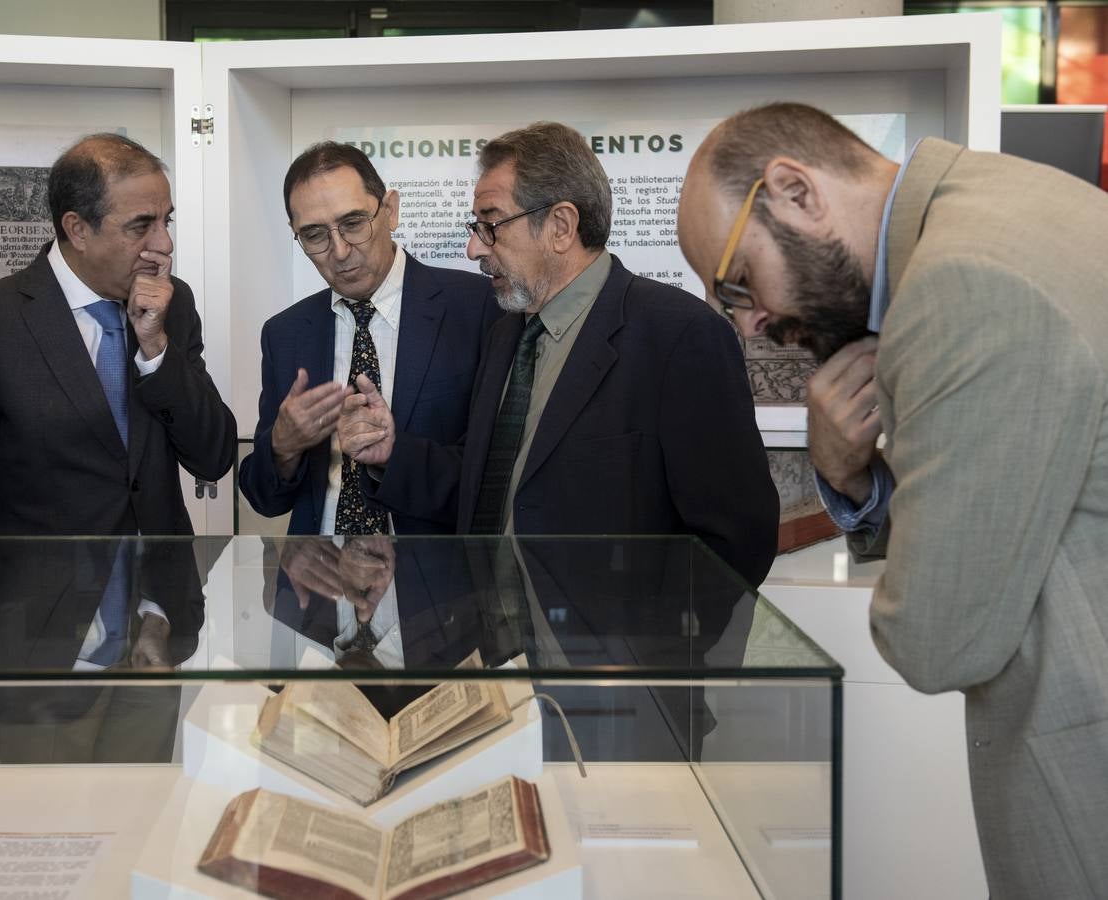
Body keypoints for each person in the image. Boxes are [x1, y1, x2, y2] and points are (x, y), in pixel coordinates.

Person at [676, 101, 1108, 897]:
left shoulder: (959, 283)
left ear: (794, 191)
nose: (751, 326)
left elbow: (937, 640)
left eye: (737, 287)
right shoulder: (993, 205)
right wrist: (848, 477)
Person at [340, 121, 779, 587]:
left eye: (490, 225)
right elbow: (488, 486)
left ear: (561, 227)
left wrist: (643, 650)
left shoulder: (680, 335)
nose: (473, 249)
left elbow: (738, 542)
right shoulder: (506, 334)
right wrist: (393, 454)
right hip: (498, 646)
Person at [0, 133, 236, 535]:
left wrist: (156, 347)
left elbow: (213, 456)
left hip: (160, 589)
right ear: (77, 229)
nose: (164, 244)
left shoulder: (172, 305)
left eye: (166, 221)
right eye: (141, 226)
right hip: (38, 592)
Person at [239, 141, 500, 536]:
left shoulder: (479, 308)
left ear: (390, 211)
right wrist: (282, 447)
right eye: (314, 235)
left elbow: (495, 478)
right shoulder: (285, 333)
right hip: (318, 583)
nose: (340, 251)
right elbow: (265, 499)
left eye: (353, 223)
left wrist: (394, 457)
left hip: (433, 584)